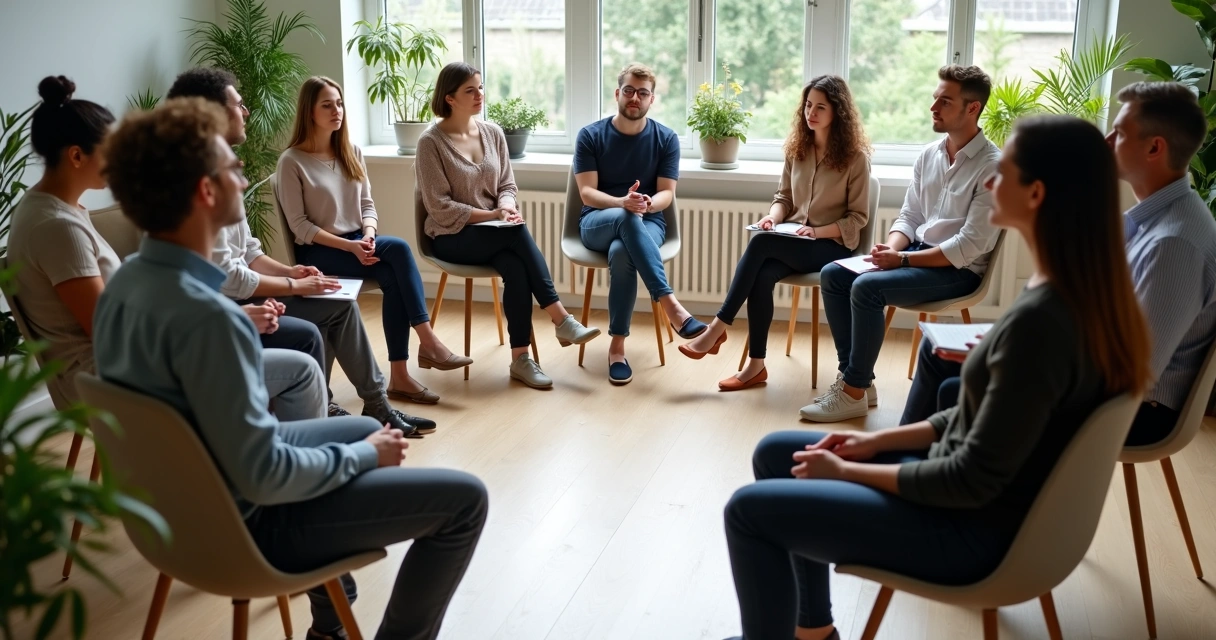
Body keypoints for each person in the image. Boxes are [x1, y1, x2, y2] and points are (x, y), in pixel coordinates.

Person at [721, 115, 1150, 640]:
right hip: (976, 501)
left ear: (1035, 194)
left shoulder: (1044, 322)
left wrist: (847, 471)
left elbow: (965, 480)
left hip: (970, 534)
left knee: (748, 511)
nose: (991, 182)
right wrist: (873, 446)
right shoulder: (1083, 295)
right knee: (777, 452)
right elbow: (975, 417)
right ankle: (815, 632)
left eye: (1005, 172)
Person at [95, 97, 487, 640]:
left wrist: (360, 443)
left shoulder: (127, 282)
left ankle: (330, 627)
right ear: (205, 192)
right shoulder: (212, 321)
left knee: (364, 424)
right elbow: (266, 475)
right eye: (232, 168)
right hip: (243, 528)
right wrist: (361, 456)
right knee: (466, 500)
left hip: (169, 514)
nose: (243, 174)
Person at [901, 81, 1216, 447]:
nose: (1107, 141)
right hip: (1102, 377)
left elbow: (1134, 375)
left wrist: (1033, 363)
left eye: (1120, 133)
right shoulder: (1157, 219)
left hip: (1136, 411)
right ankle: (913, 466)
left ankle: (929, 476)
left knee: (959, 387)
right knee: (939, 354)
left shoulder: (1174, 243)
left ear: (1154, 148)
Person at [6, 76, 322, 421]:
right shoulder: (57, 227)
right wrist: (226, 321)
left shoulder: (53, 210)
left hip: (130, 359)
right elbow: (108, 332)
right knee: (298, 369)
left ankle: (258, 441)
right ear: (77, 156)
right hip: (116, 376)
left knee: (280, 356)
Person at [167, 68, 434, 433]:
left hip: (248, 291)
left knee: (355, 291)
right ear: (209, 114)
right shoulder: (201, 184)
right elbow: (229, 276)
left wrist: (290, 272)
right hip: (228, 307)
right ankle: (334, 409)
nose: (246, 112)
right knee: (333, 308)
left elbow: (248, 251)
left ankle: (378, 404)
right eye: (238, 105)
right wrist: (294, 286)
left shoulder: (220, 172)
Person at [802, 65, 1001, 422]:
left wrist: (904, 262)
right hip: (914, 254)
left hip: (958, 269)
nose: (933, 107)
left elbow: (968, 246)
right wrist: (889, 250)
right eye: (934, 98)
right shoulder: (929, 155)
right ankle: (859, 382)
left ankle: (852, 390)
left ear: (973, 109)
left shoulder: (992, 166)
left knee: (866, 288)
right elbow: (909, 218)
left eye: (945, 101)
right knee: (833, 274)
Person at [278, 76, 470, 400]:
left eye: (339, 103)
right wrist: (349, 246)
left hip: (356, 241)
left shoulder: (350, 150)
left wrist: (367, 235)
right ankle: (429, 342)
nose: (336, 110)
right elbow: (300, 227)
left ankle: (399, 377)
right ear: (309, 111)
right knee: (397, 249)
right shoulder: (292, 162)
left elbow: (367, 204)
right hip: (319, 252)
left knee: (390, 272)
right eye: (327, 104)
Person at [678, 76, 870, 391]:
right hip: (795, 241)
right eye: (808, 105)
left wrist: (817, 232)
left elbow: (857, 218)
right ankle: (756, 366)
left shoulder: (855, 158)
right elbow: (784, 198)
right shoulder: (798, 148)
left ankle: (716, 329)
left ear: (838, 112)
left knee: (761, 244)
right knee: (763, 271)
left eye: (820, 107)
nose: (811, 113)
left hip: (833, 248)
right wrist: (772, 217)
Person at [417, 62, 601, 389]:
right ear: (450, 99)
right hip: (449, 236)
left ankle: (520, 359)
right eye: (470, 90)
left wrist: (505, 206)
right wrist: (493, 217)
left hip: (494, 235)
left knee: (515, 268)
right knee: (516, 234)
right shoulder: (430, 143)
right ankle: (560, 317)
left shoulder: (493, 133)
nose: (480, 95)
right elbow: (439, 207)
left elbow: (507, 186)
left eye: (481, 87)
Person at [574, 63, 707, 385]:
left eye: (642, 93)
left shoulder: (665, 138)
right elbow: (587, 193)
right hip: (597, 222)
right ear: (618, 93)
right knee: (624, 217)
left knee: (622, 253)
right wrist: (622, 203)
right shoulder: (591, 135)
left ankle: (617, 348)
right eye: (629, 91)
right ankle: (672, 306)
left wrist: (646, 203)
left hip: (647, 222)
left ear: (652, 99)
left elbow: (666, 194)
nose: (635, 98)